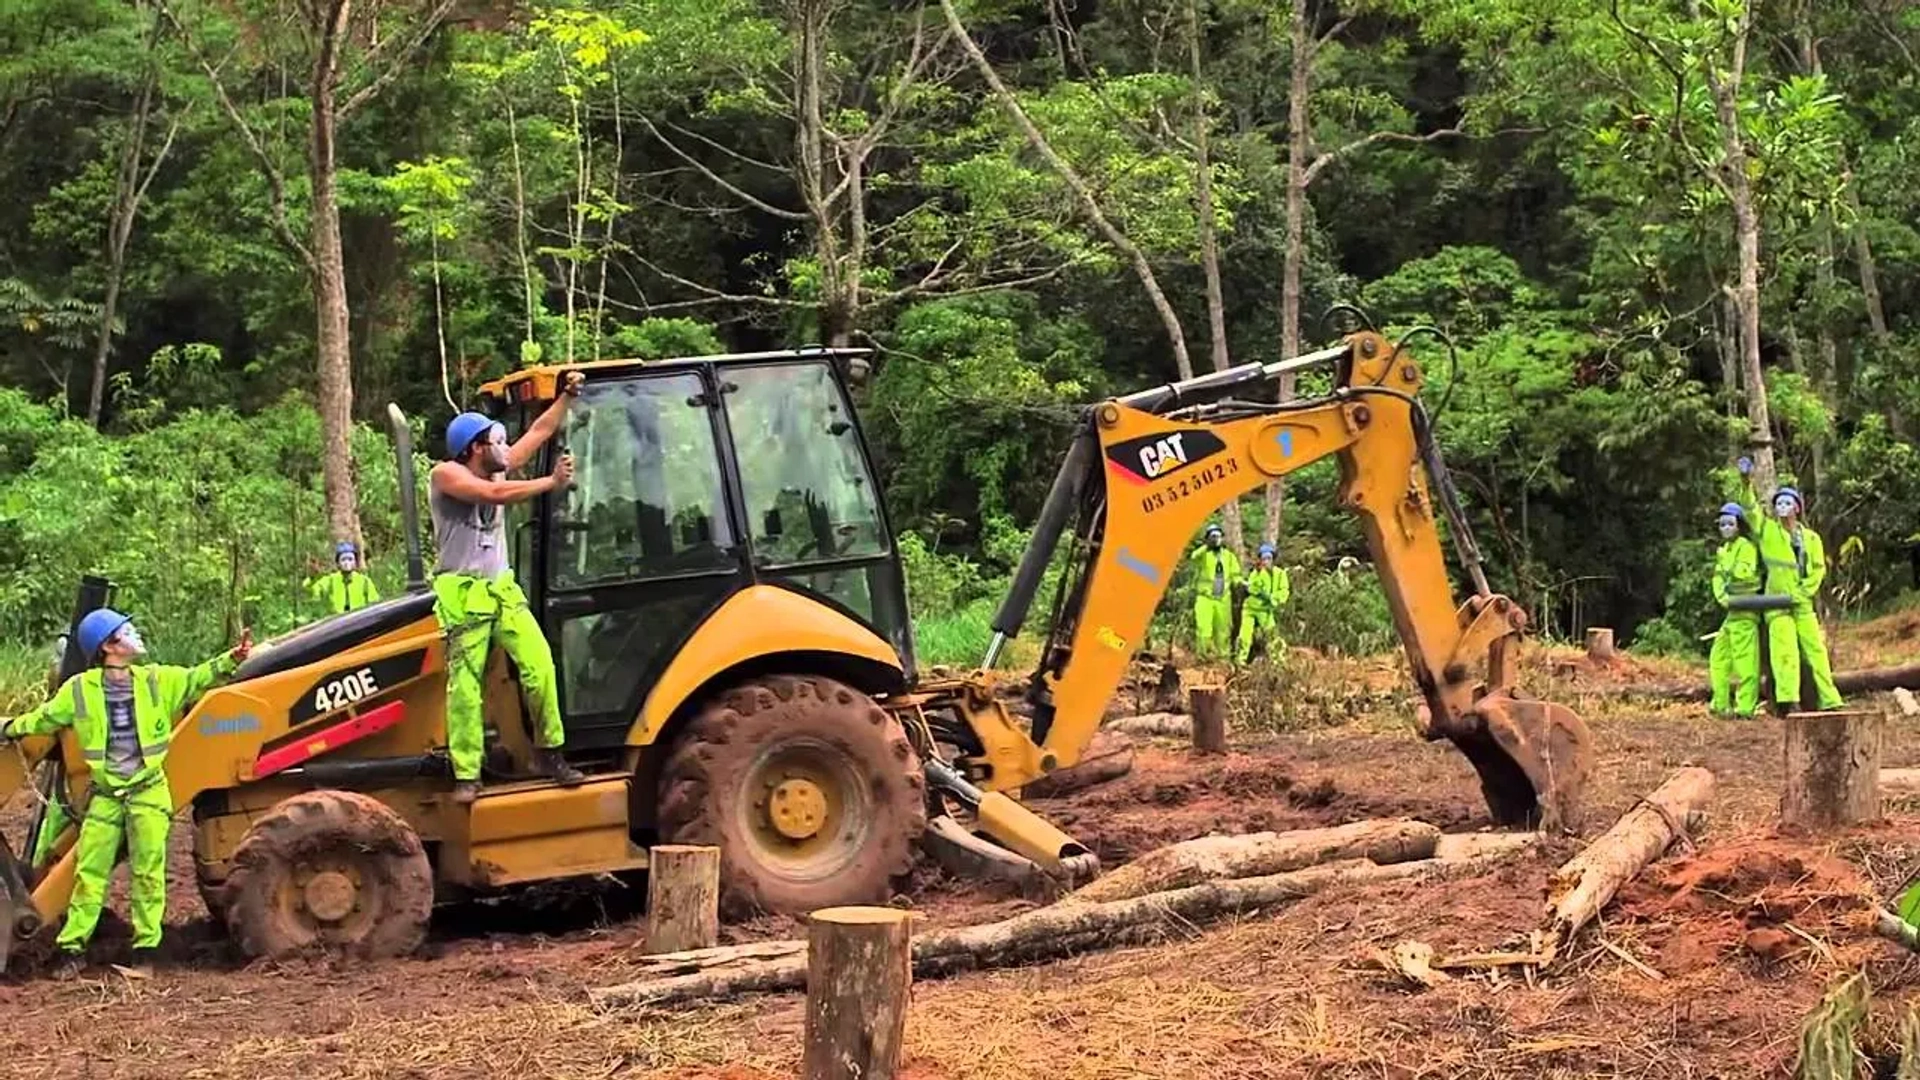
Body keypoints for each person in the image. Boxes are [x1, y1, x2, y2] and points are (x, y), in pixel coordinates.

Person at [0, 608, 249, 977]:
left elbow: (200, 676)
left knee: (149, 872)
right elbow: (44, 719)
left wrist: (234, 657)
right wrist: (10, 727)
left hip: (147, 793)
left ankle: (146, 952)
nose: (137, 634)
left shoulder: (156, 680)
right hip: (107, 797)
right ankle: (71, 950)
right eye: (127, 630)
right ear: (109, 645)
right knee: (90, 872)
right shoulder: (80, 691)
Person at [431, 377, 586, 804]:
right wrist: (549, 483)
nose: (504, 449)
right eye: (494, 442)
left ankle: (549, 752)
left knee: (540, 667)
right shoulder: (446, 474)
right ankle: (466, 772)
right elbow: (494, 494)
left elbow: (537, 434)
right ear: (475, 448)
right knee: (464, 686)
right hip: (463, 594)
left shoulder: (496, 463)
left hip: (501, 589)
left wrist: (566, 397)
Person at [1737, 456, 1844, 711]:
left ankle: (1830, 699)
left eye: (1787, 502)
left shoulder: (1811, 538)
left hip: (1802, 603)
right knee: (1784, 653)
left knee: (1815, 652)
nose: (1782, 507)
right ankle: (1789, 701)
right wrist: (1745, 483)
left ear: (1797, 508)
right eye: (1778, 503)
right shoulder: (1768, 531)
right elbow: (1751, 510)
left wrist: (1803, 591)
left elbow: (1818, 569)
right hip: (1777, 604)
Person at [1707, 502, 1763, 718]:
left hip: (1746, 610)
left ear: (1739, 525)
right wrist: (1723, 597)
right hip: (1732, 612)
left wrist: (1728, 575)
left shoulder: (1746, 547)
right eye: (1722, 524)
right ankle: (1720, 703)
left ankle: (1745, 707)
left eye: (1730, 523)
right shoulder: (1725, 550)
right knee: (1718, 657)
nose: (1726, 528)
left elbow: (1743, 573)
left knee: (1744, 661)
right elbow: (1718, 580)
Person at [1188, 525, 1240, 663]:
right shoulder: (1203, 554)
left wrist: (1241, 583)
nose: (1216, 539)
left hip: (1223, 598)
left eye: (1218, 536)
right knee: (1203, 628)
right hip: (1205, 598)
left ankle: (1223, 660)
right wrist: (1207, 546)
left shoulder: (1229, 556)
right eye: (1212, 536)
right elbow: (1193, 558)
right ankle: (1203, 658)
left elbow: (1235, 575)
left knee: (1223, 631)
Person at [1236, 543, 1291, 665]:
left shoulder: (1280, 574)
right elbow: (1251, 588)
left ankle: (1279, 662)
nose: (1266, 561)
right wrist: (1259, 591)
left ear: (1273, 559)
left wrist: (1273, 598)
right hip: (1250, 608)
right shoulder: (1257, 572)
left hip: (1266, 610)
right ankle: (1240, 661)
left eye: (1268, 558)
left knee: (1272, 636)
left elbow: (1284, 591)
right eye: (1264, 558)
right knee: (1244, 635)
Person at [306, 540, 380, 615]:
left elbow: (374, 604)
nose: (347, 563)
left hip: (359, 619)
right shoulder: (331, 580)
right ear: (338, 563)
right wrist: (312, 578)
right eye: (343, 559)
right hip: (338, 621)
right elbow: (312, 591)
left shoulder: (364, 581)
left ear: (355, 562)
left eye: (350, 559)